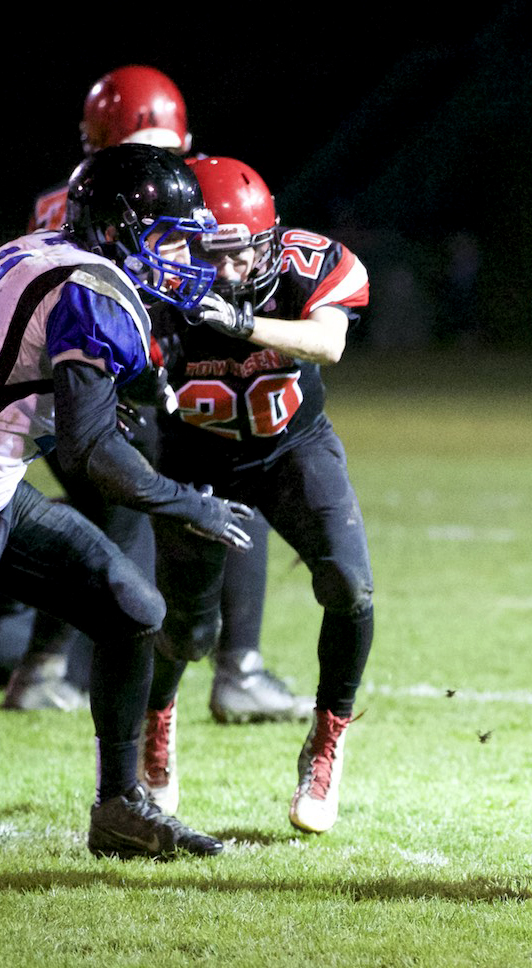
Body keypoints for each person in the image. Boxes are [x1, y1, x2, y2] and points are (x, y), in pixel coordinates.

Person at [6, 64, 311, 724]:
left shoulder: (66, 202)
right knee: (204, 484)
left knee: (104, 509)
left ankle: (48, 667)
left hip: (64, 390)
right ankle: (237, 668)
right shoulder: (153, 201)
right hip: (106, 379)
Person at [0, 141, 256, 858]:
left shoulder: (41, 249)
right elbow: (90, 451)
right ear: (117, 228)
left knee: (130, 606)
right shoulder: (94, 288)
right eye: (170, 238)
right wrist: (185, 503)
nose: (182, 256)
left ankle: (119, 809)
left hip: (2, 483)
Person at [139, 156, 375, 834]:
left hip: (291, 447)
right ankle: (157, 726)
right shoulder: (153, 288)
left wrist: (242, 327)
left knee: (349, 585)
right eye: (216, 256)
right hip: (195, 457)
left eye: (247, 253)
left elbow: (327, 343)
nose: (235, 271)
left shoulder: (310, 264)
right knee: (186, 628)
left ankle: (326, 742)